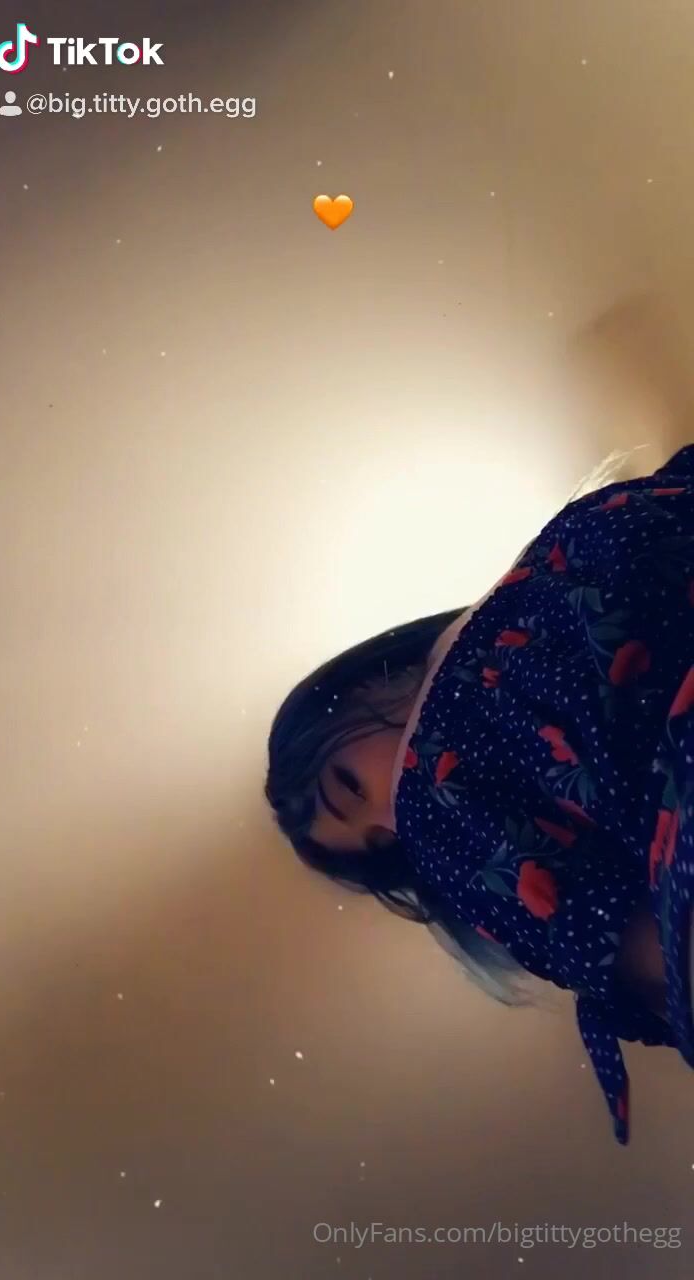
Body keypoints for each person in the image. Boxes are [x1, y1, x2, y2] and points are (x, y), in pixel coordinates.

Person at [264, 445, 694, 1144]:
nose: (393, 813)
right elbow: (646, 952)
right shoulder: (450, 831)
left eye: (350, 786)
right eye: (383, 844)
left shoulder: (556, 562)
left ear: (360, 687)